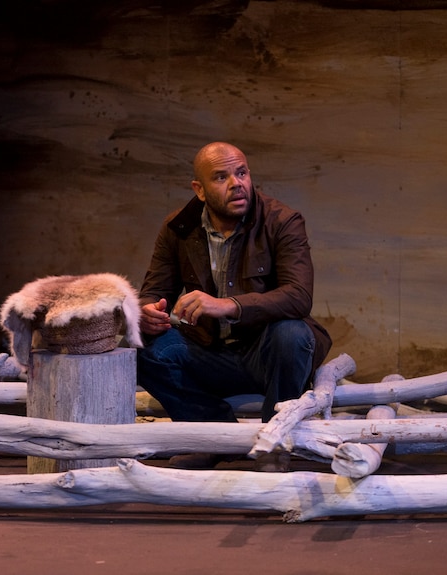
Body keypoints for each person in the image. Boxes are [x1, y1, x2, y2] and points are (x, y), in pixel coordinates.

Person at [136, 141, 332, 469]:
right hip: (210, 354)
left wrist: (228, 305)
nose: (236, 183)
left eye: (241, 173)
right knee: (143, 348)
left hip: (266, 354)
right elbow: (153, 292)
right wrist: (145, 314)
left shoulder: (281, 220)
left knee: (292, 334)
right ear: (199, 190)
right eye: (221, 177)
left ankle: (274, 441)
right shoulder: (178, 228)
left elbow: (299, 296)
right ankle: (216, 436)